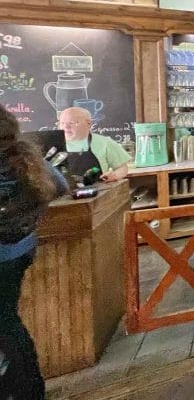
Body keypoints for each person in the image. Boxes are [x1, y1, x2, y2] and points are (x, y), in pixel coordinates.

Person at [0, 106, 68, 399]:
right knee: (8, 320)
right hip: (21, 249)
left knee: (5, 322)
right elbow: (61, 186)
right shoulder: (26, 156)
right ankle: (30, 387)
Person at [58, 107, 131, 182]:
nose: (66, 127)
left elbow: (122, 168)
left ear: (88, 123)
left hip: (98, 191)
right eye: (62, 123)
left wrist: (114, 175)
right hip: (61, 192)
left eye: (71, 123)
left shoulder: (104, 142)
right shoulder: (53, 145)